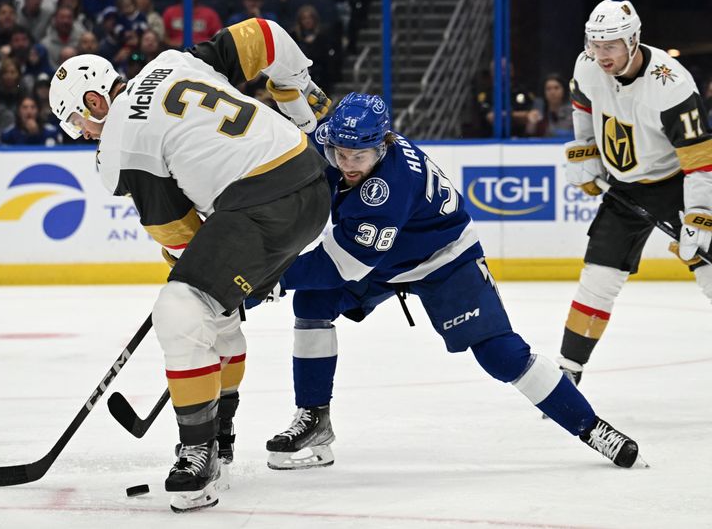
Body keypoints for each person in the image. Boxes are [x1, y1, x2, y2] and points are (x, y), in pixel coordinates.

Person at [261, 92, 644, 473]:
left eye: (358, 156)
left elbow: (341, 264)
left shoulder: (388, 189)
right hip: (386, 257)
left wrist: (267, 278)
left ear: (383, 145)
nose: (346, 164)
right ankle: (315, 420)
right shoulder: (346, 143)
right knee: (311, 302)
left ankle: (592, 428)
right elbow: (308, 141)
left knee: (501, 355)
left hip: (444, 260)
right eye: (340, 153)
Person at [48, 17, 332, 512]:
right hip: (307, 176)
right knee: (213, 311)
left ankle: (198, 452)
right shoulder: (173, 62)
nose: (84, 134)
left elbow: (179, 235)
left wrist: (196, 268)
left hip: (261, 207)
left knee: (180, 309)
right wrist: (302, 92)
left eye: (79, 122)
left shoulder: (120, 143)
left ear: (96, 100)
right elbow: (264, 36)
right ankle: (219, 435)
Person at [557, 0, 712, 386]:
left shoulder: (672, 85)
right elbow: (582, 106)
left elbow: (700, 160)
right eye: (594, 44)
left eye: (610, 46)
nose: (600, 55)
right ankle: (567, 371)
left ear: (633, 40)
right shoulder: (587, 64)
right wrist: (586, 149)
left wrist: (699, 215)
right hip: (625, 188)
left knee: (708, 270)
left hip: (677, 184)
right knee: (599, 277)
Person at [525, 74, 573, 138]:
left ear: (564, 90)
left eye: (556, 88)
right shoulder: (539, 111)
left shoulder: (573, 111)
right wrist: (532, 123)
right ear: (544, 92)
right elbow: (529, 136)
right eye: (548, 89)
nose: (552, 92)